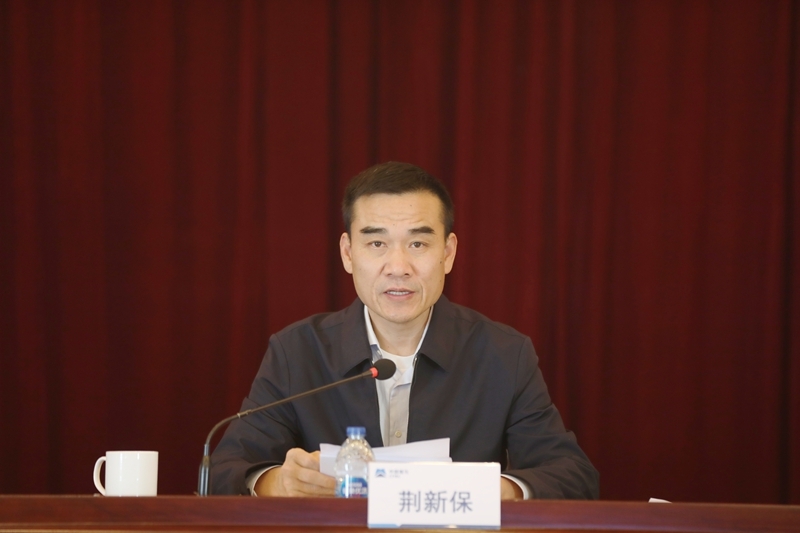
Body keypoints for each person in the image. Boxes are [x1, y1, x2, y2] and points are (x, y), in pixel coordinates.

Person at [210, 162, 599, 499]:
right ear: (348, 253)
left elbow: (574, 476)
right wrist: (277, 482)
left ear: (448, 253)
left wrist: (494, 490)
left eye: (417, 244)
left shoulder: (503, 353)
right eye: (377, 243)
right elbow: (222, 470)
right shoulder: (297, 351)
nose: (398, 267)